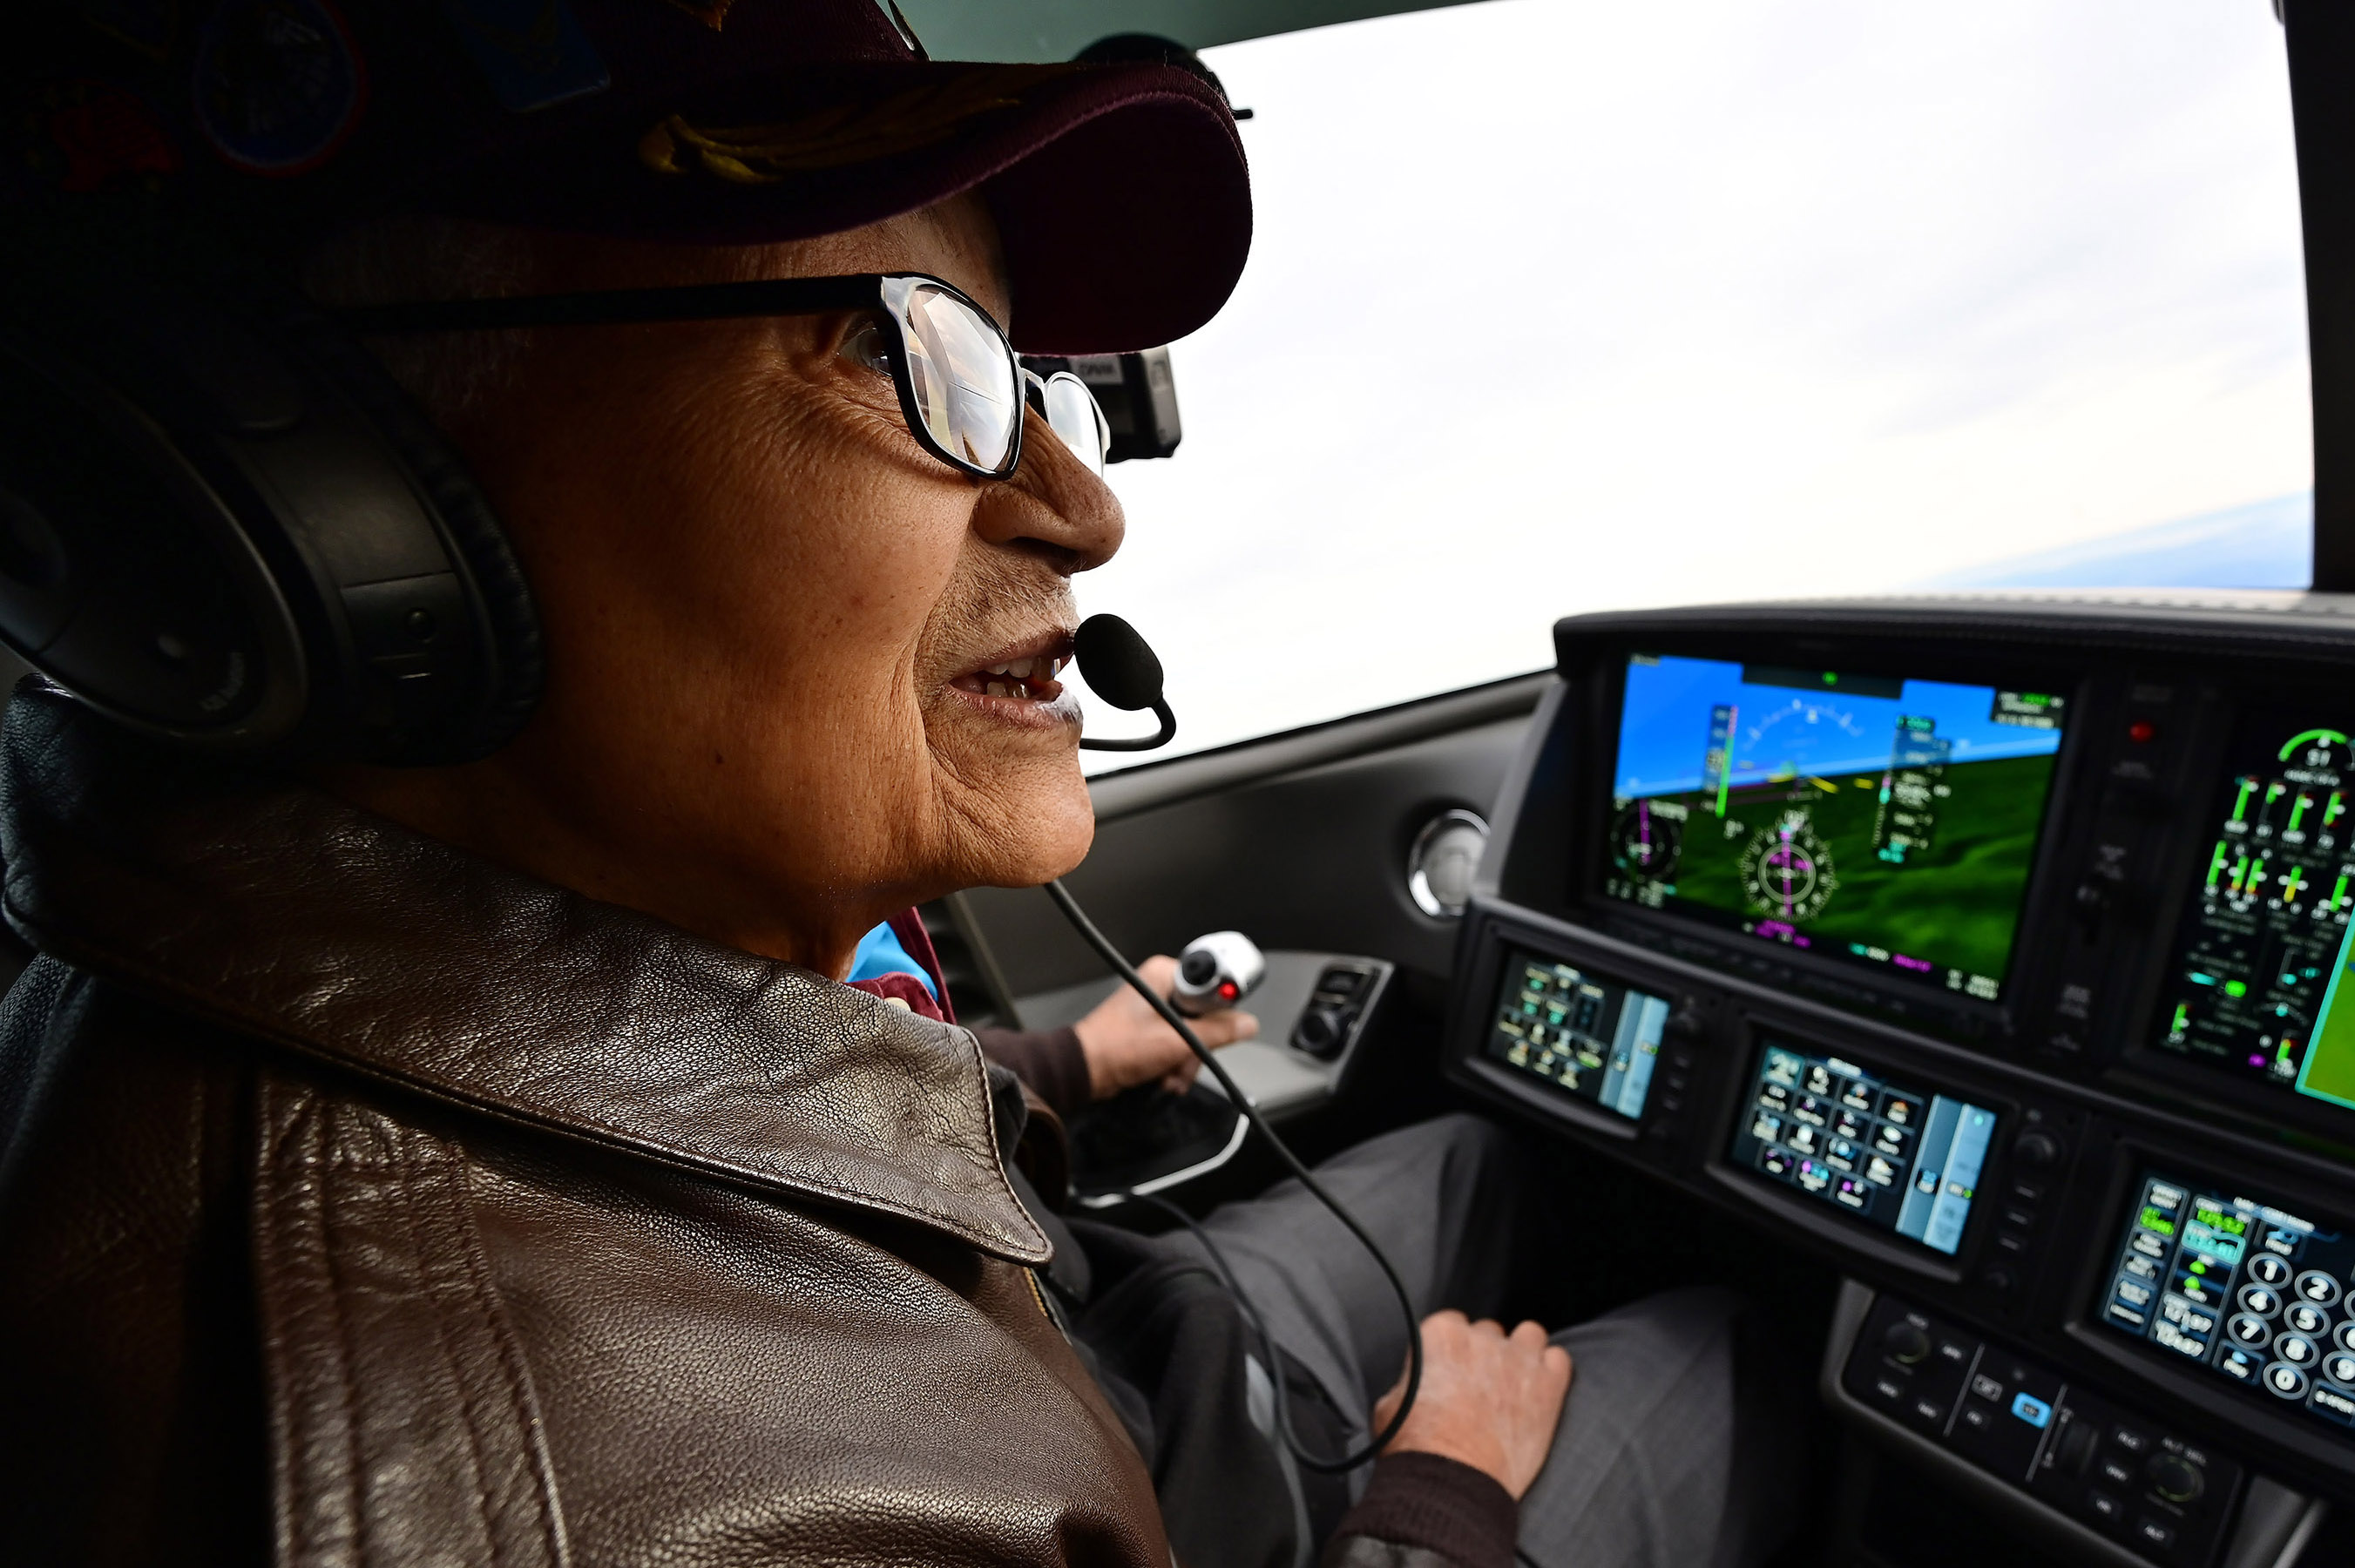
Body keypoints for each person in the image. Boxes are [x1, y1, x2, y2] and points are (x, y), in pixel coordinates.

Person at [0, 6, 1794, 1566]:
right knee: (1737, 1343)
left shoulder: (413, 970)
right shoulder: (653, 1513)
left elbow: (680, 1089)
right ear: (336, 520)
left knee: (1487, 1158)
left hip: (1113, 1367)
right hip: (1191, 1473)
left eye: (1025, 377)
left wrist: (1074, 1061)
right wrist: (1440, 1498)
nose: (1082, 508)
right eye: (903, 352)